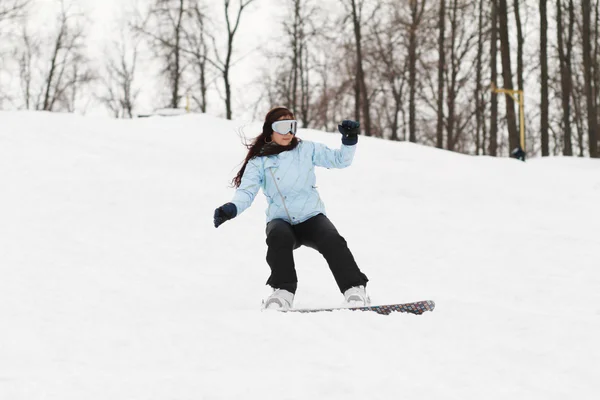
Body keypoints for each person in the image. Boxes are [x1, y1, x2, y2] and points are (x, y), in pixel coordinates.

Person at [213, 106, 369, 310]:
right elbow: (246, 192)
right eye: (282, 127)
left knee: (332, 239)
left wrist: (349, 140)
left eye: (292, 126)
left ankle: (354, 289)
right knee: (278, 237)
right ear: (270, 130)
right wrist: (231, 208)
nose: (288, 133)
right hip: (281, 219)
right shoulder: (259, 161)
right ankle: (283, 292)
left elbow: (340, 160)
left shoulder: (306, 149)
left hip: (311, 216)